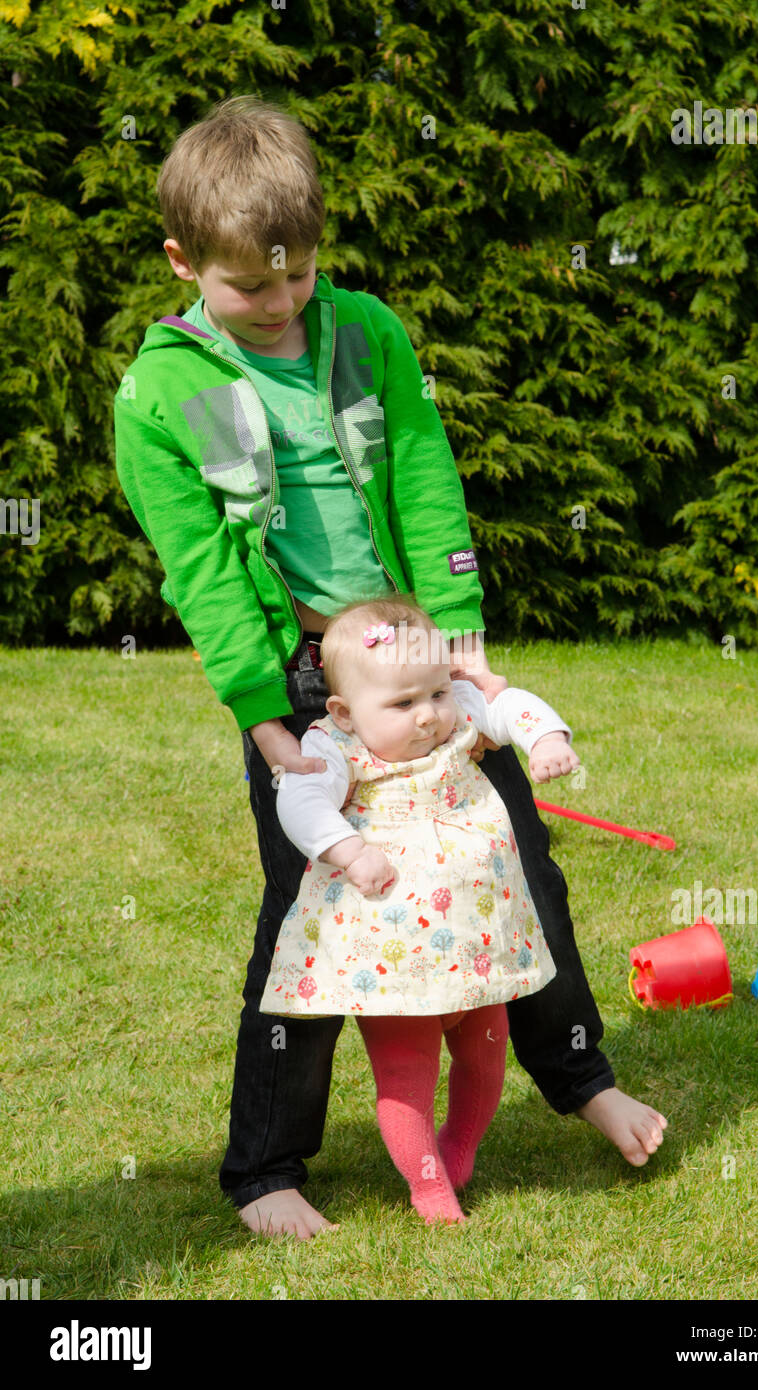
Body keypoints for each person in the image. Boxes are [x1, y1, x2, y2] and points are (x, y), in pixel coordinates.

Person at [113, 95, 667, 1241]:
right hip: (307, 681)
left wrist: (456, 635)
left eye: (297, 277)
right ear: (184, 262)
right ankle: (266, 1170)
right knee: (310, 910)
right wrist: (267, 712)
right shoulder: (160, 394)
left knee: (517, 862)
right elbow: (203, 568)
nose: (279, 307)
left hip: (415, 658)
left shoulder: (367, 332)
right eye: (248, 288)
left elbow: (422, 472)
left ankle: (583, 1078)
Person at [260, 596, 578, 1225]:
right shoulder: (335, 748)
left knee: (487, 1054)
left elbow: (510, 705)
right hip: (393, 958)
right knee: (407, 1074)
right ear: (344, 711)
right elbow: (299, 799)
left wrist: (545, 737)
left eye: (436, 692)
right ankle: (427, 1184)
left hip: (482, 936)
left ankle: (458, 1148)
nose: (430, 715)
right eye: (403, 705)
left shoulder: (458, 713)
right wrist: (348, 850)